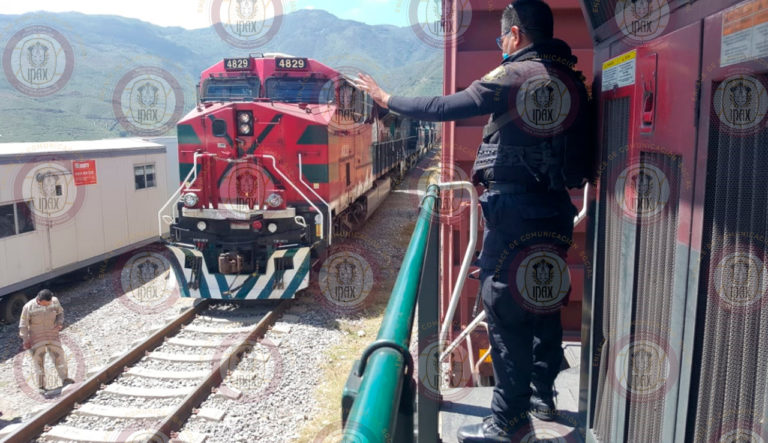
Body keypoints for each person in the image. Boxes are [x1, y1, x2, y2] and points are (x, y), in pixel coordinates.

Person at [357, 0, 594, 440]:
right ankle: (543, 395)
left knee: (507, 313)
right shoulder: (572, 80)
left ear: (516, 34)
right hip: (556, 211)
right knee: (543, 302)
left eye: (502, 36)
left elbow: (446, 105)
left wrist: (388, 100)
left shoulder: (514, 75)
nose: (501, 43)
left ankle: (508, 421)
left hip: (515, 216)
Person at [18, 289, 74, 394]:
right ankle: (41, 386)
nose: (47, 306)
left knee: (59, 358)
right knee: (38, 362)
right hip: (36, 339)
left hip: (52, 335)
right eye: (45, 304)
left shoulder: (55, 301)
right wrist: (25, 340)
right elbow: (23, 325)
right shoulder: (28, 307)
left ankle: (65, 379)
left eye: (49, 304)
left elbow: (60, 313)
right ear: (39, 301)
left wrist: (59, 323)